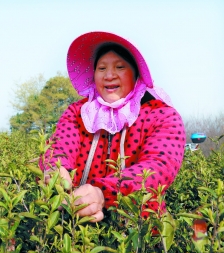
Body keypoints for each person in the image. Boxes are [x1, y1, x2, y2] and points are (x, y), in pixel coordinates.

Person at [41, 31, 186, 222]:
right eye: (101, 68)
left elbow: (158, 167)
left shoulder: (162, 115)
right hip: (80, 223)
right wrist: (55, 170)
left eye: (120, 66)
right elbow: (59, 147)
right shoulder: (78, 113)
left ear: (136, 74)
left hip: (139, 232)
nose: (109, 75)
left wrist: (102, 192)